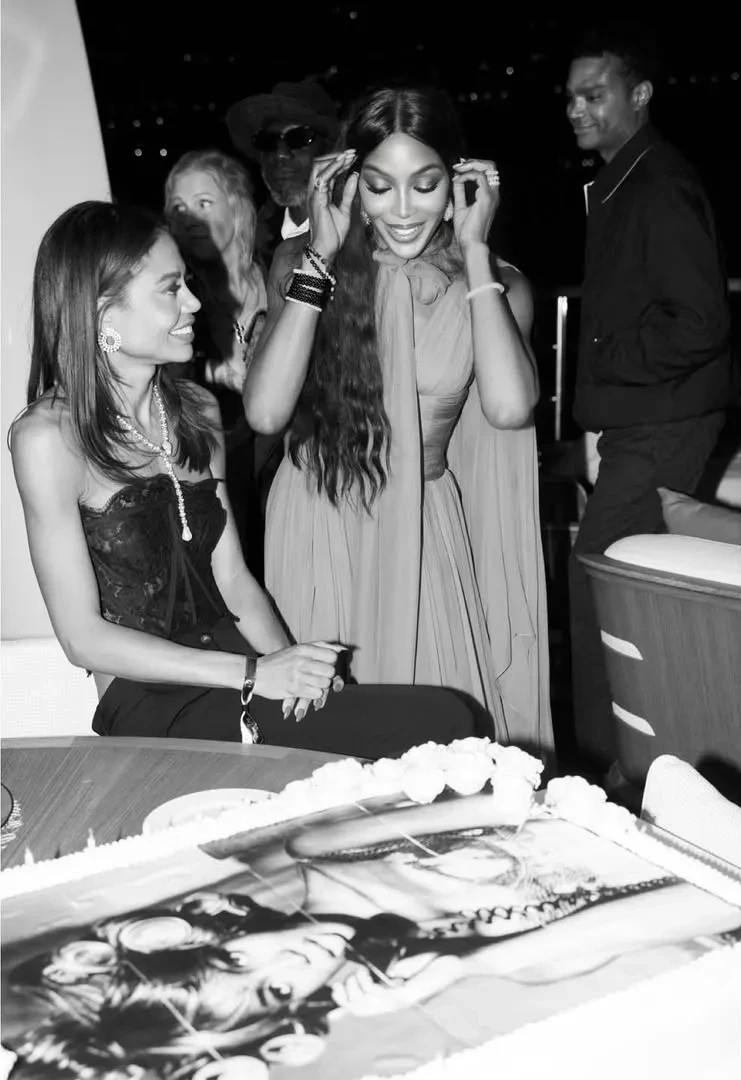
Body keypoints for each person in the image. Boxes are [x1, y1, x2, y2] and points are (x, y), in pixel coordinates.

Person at [9, 200, 478, 754]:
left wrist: (295, 674)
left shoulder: (196, 410)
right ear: (103, 314)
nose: (193, 302)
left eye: (187, 283)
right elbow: (81, 638)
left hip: (240, 671)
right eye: (170, 289)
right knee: (443, 720)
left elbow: (233, 580)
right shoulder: (47, 439)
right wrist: (256, 675)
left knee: (441, 720)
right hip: (152, 705)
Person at [6, 794, 738, 1077]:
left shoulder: (318, 849)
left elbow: (520, 799)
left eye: (233, 959)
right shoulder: (515, 964)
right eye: (276, 990)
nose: (293, 958)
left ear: (198, 936)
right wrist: (469, 966)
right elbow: (719, 895)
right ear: (295, 1019)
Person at [243, 85, 553, 754]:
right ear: (352, 182)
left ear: (458, 182)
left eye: (426, 184)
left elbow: (508, 408)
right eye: (381, 187)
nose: (405, 210)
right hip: (319, 519)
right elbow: (265, 411)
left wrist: (475, 250)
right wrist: (321, 253)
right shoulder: (303, 264)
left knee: (434, 748)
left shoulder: (495, 284)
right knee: (322, 751)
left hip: (423, 523)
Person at [565, 24, 737, 770]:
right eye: (569, 97)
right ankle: (641, 758)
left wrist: (604, 359)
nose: (575, 109)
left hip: (663, 420)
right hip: (650, 417)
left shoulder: (657, 183)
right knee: (617, 583)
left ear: (638, 94)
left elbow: (700, 321)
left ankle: (615, 770)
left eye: (592, 95)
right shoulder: (626, 179)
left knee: (601, 581)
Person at [164, 149, 271, 576]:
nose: (190, 217)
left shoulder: (280, 272)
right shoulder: (172, 294)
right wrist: (218, 373)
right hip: (215, 472)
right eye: (178, 208)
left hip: (286, 465)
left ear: (237, 206)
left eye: (203, 203)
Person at [226, 79, 340, 270]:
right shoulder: (246, 244)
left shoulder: (364, 232)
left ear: (328, 148)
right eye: (268, 141)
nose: (280, 154)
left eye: (298, 138)